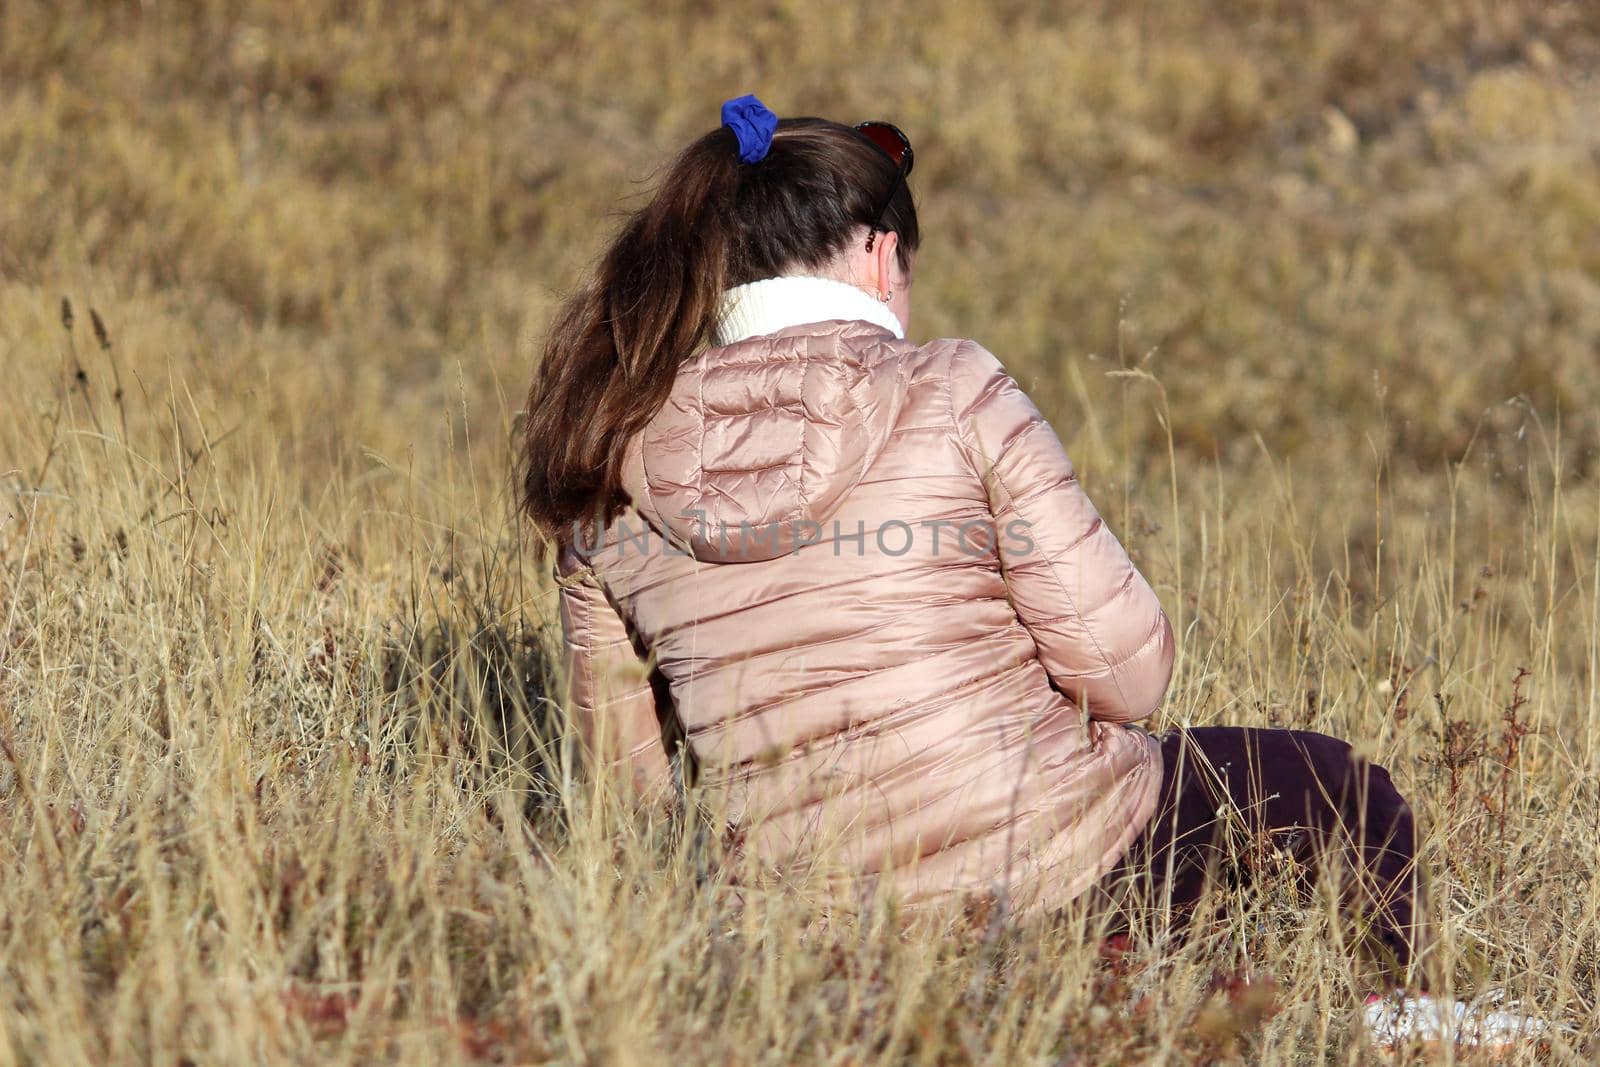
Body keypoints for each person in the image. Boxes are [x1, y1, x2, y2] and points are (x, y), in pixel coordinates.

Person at [517, 94, 1545, 1051]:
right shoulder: (951, 387)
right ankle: (1400, 1016)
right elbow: (1129, 680)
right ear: (881, 257)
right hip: (1058, 863)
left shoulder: (602, 460)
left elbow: (630, 801)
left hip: (811, 941)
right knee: (1330, 785)